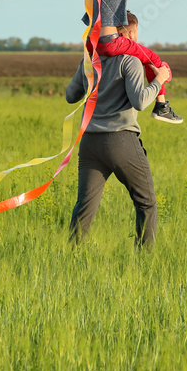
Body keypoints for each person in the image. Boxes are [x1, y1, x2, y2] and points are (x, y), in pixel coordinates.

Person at [65, 19, 172, 247]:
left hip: (90, 143)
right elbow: (140, 102)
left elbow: (70, 96)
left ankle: (71, 258)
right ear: (130, 33)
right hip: (121, 140)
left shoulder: (89, 59)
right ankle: (145, 262)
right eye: (136, 33)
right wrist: (159, 79)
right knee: (146, 203)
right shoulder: (130, 61)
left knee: (84, 206)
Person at [90, 0, 183, 124]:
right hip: (112, 42)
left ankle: (160, 96)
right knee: (153, 58)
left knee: (143, 56)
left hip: (95, 43)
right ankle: (162, 106)